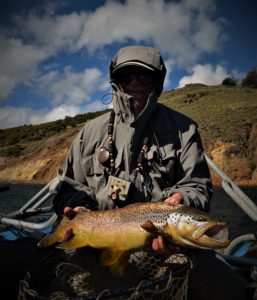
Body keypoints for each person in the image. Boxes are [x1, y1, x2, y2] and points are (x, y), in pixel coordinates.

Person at [51, 45, 246, 299]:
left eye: (144, 76)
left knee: (223, 285)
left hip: (167, 251)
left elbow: (196, 187)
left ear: (158, 82)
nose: (134, 82)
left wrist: (182, 200)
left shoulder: (184, 129)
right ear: (115, 81)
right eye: (126, 75)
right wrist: (76, 207)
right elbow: (68, 187)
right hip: (96, 246)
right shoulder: (90, 132)